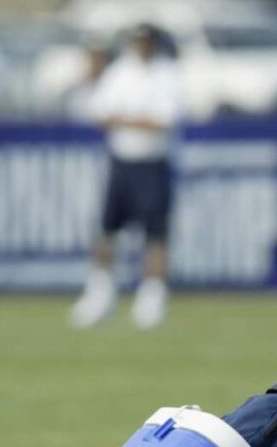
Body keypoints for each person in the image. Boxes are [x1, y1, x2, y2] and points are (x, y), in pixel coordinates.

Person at [69, 23, 181, 330]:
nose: (141, 47)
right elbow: (100, 113)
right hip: (122, 161)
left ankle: (153, 295)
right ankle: (100, 292)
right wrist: (134, 119)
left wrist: (125, 119)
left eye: (146, 42)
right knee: (107, 230)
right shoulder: (121, 72)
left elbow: (163, 120)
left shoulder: (165, 73)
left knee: (155, 233)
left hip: (152, 161)